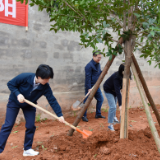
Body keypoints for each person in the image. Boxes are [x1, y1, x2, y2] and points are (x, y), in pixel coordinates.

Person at [0, 64, 65, 156]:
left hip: (29, 105)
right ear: (39, 77)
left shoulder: (45, 86)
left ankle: (27, 149)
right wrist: (18, 94)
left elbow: (52, 100)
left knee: (31, 126)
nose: (47, 81)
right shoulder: (25, 77)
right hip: (14, 102)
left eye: (49, 79)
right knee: (8, 125)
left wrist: (59, 114)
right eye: (46, 79)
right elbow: (10, 84)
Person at [103, 63, 131, 131]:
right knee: (113, 106)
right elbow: (118, 92)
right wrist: (120, 105)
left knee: (114, 105)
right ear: (121, 70)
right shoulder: (116, 77)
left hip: (114, 91)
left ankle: (114, 118)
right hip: (108, 90)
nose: (127, 72)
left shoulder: (126, 75)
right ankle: (110, 125)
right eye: (125, 71)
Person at [82, 51, 105, 122]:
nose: (99, 59)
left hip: (96, 86)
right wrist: (89, 88)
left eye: (100, 57)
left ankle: (98, 114)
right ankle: (83, 115)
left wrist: (102, 72)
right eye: (98, 57)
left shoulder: (98, 64)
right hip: (90, 87)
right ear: (93, 57)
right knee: (87, 102)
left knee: (100, 99)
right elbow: (88, 77)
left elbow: (97, 73)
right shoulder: (89, 66)